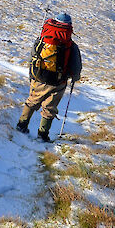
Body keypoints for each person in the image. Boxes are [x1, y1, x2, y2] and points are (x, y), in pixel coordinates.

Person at [16, 13, 82, 142]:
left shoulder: (42, 39)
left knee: (32, 101)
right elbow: (76, 67)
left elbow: (32, 57)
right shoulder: (71, 45)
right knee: (49, 108)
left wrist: (32, 74)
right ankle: (42, 135)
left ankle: (21, 125)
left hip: (38, 76)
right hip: (58, 81)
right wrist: (74, 77)